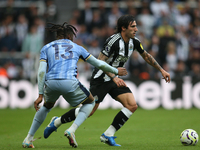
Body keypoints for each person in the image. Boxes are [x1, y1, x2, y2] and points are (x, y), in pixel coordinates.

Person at [43, 14, 171, 146]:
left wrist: (161, 70)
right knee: (90, 110)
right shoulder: (113, 41)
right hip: (100, 78)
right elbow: (100, 61)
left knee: (132, 105)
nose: (136, 29)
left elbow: (146, 56)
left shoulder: (134, 42)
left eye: (136, 26)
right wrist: (114, 77)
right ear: (123, 28)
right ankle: (57, 122)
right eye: (133, 26)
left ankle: (108, 134)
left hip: (115, 79)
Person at [22, 22, 127, 148]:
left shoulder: (46, 47)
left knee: (46, 107)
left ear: (58, 36)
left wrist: (40, 94)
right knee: (90, 102)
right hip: (69, 82)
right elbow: (98, 63)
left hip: (50, 83)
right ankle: (71, 130)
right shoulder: (77, 47)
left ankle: (28, 138)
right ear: (70, 36)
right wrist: (115, 71)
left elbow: (42, 71)